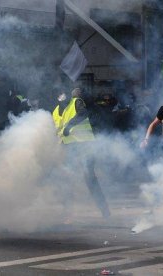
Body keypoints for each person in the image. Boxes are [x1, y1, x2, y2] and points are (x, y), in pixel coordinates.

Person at [59, 88, 110, 218]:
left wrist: (69, 126)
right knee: (68, 178)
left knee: (89, 177)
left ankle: (104, 210)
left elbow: (83, 113)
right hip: (73, 147)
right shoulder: (61, 110)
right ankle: (68, 214)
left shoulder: (76, 101)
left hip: (85, 145)